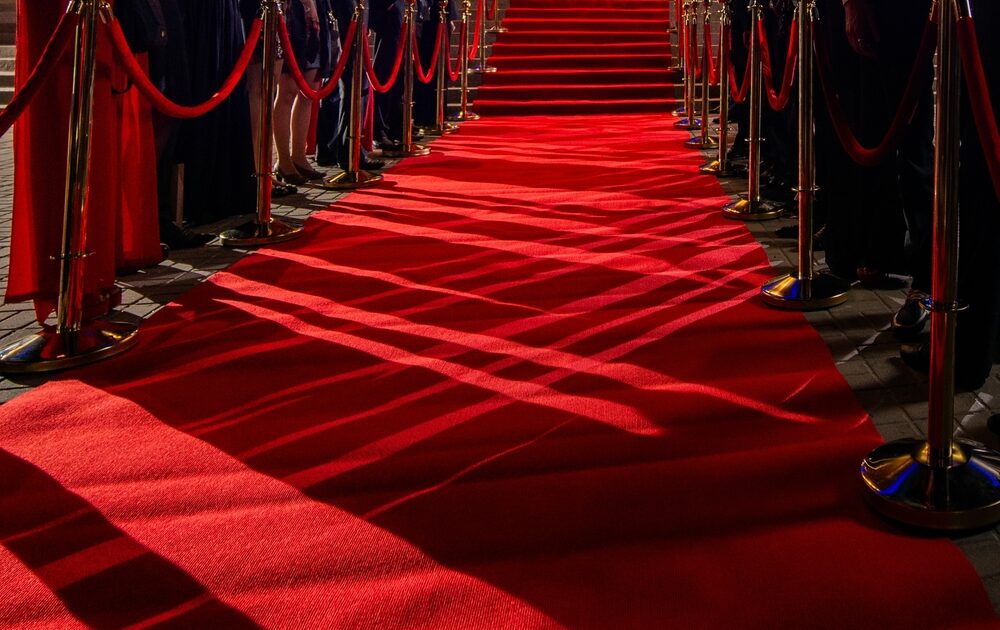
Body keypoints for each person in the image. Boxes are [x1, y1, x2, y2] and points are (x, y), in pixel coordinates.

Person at [8, 0, 162, 323]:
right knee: (60, 117)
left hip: (92, 16)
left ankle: (92, 276)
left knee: (95, 125)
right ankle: (68, 283)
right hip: (61, 16)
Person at [273, 0, 333, 185]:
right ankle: (283, 161)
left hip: (314, 15)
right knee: (287, 92)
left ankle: (299, 156)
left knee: (309, 92)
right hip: (291, 15)